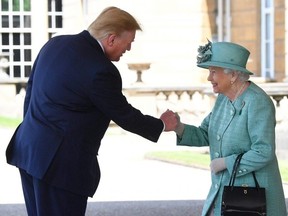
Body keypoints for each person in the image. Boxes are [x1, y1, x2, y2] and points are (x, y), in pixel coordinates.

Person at [5, 6, 178, 216]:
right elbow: (123, 114)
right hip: (60, 168)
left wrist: (36, 134)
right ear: (111, 39)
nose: (129, 49)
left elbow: (30, 93)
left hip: (29, 151)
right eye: (129, 42)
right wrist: (161, 125)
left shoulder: (54, 44)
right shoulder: (102, 70)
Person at [166, 40, 287, 215]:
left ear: (233, 75)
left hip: (253, 199)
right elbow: (206, 133)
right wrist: (178, 127)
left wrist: (225, 163)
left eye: (213, 72)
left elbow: (263, 151)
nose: (209, 78)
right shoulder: (223, 99)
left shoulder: (258, 102)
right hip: (225, 193)